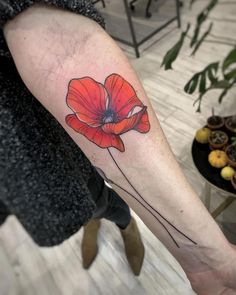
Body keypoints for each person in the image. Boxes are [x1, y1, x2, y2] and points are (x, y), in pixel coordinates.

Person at [1, 1, 236, 294]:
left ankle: (125, 224)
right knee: (87, 203)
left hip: (39, 137)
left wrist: (205, 254)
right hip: (10, 172)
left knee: (95, 196)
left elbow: (65, 54)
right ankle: (94, 219)